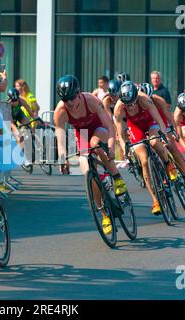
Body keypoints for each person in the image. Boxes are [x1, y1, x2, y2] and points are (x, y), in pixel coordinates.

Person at [54, 75, 128, 235]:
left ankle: (116, 177)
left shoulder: (91, 100)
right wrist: (62, 158)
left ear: (79, 92)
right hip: (82, 133)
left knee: (96, 144)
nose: (70, 103)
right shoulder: (60, 110)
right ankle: (104, 214)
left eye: (72, 98)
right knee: (87, 170)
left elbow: (109, 124)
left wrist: (110, 146)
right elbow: (60, 135)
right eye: (66, 100)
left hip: (99, 128)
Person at [113, 81, 177, 216]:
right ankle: (155, 200)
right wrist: (124, 147)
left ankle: (168, 163)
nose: (129, 107)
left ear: (136, 97)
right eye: (127, 104)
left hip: (150, 122)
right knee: (143, 161)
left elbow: (159, 120)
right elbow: (120, 132)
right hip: (135, 127)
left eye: (132, 103)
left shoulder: (145, 99)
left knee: (154, 143)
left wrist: (164, 136)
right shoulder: (118, 106)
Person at [139, 83, 185, 192]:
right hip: (145, 125)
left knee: (171, 146)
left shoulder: (159, 101)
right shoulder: (136, 103)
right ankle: (159, 173)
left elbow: (169, 118)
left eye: (149, 99)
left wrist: (173, 131)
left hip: (160, 122)